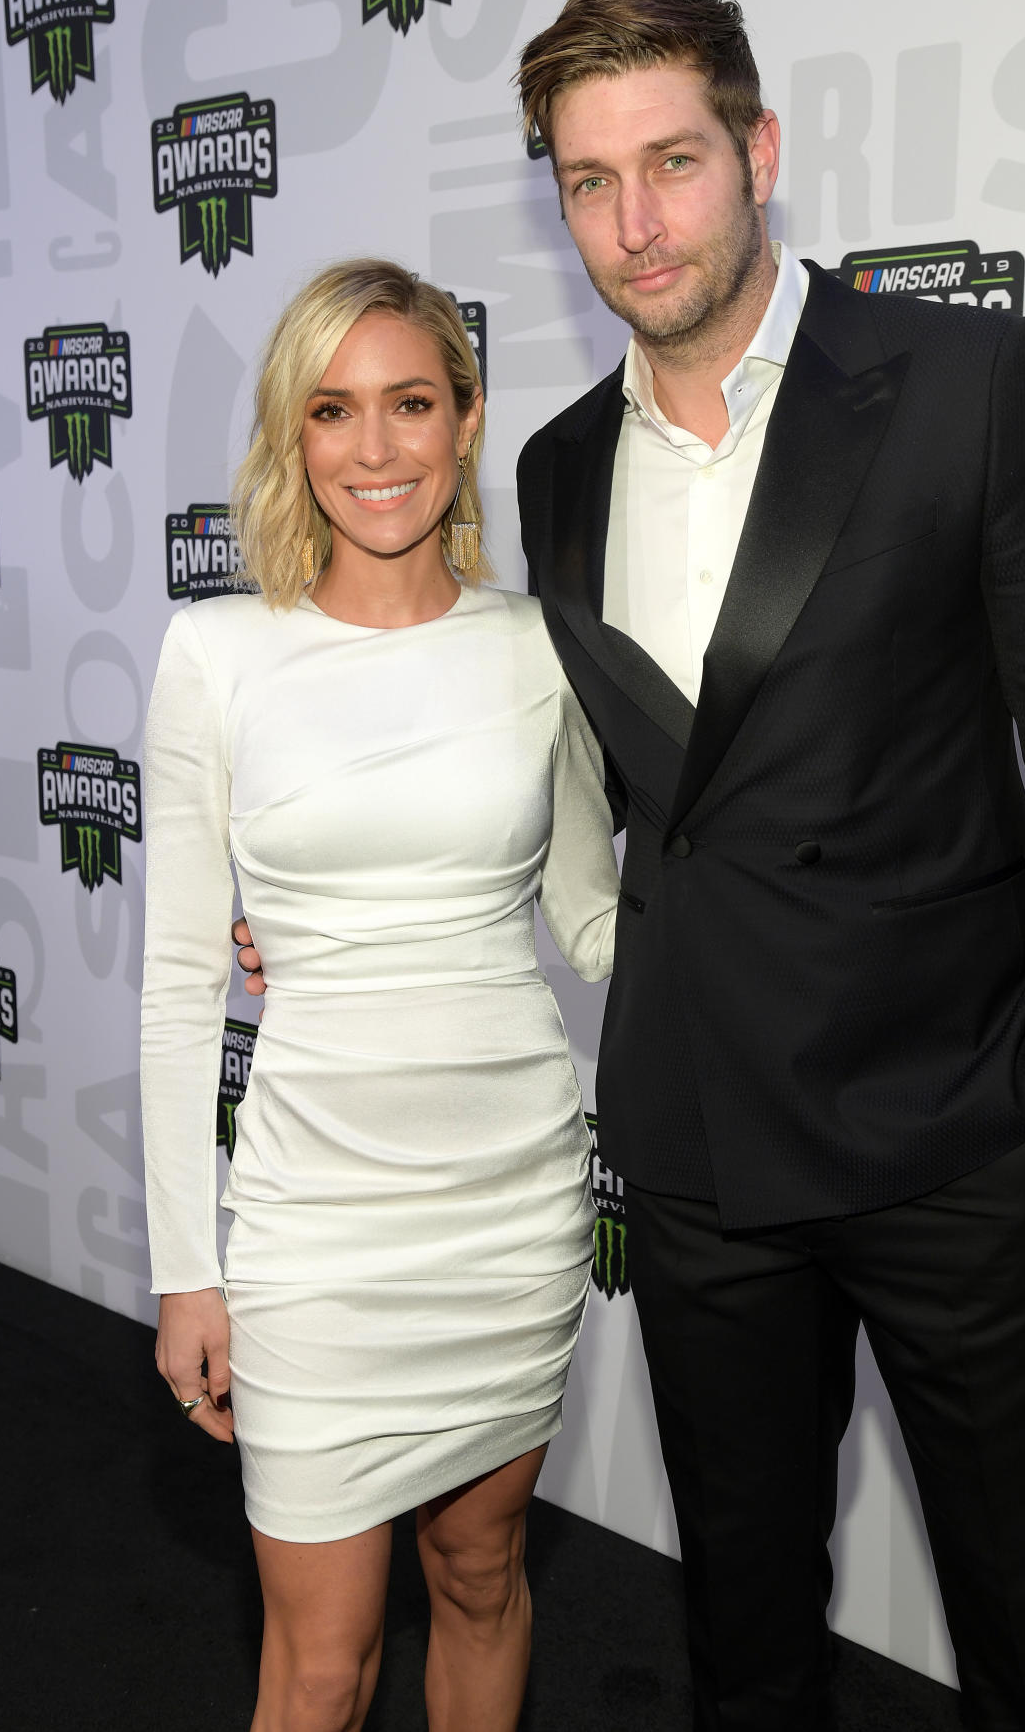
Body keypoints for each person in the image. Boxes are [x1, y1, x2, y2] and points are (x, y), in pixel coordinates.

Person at [510, 0, 1025, 1731]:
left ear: (759, 153)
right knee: (743, 1625)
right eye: (587, 180)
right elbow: (600, 784)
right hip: (703, 1148)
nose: (635, 224)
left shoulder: (965, 380)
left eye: (670, 162)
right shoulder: (557, 466)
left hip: (956, 1132)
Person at [141, 258, 618, 1732]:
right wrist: (184, 1269)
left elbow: (601, 922)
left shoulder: (540, 650)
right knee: (322, 1665)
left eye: (410, 403)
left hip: (508, 1206)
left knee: (480, 1572)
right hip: (318, 1228)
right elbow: (172, 983)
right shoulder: (217, 653)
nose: (374, 448)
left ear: (465, 419)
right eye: (333, 411)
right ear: (294, 434)